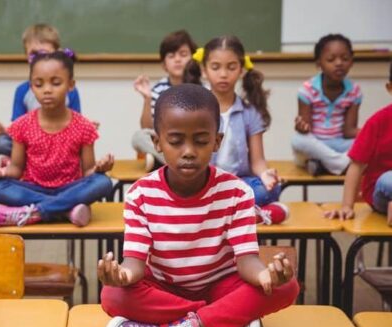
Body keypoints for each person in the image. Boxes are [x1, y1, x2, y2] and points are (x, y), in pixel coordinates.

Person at [98, 84, 299, 327]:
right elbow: (134, 264)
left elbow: (247, 262)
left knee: (287, 286)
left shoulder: (237, 192)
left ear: (217, 141)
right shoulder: (140, 194)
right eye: (176, 141)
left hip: (220, 287)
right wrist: (121, 276)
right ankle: (225, 325)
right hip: (165, 289)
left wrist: (265, 275)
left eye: (201, 141)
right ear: (157, 143)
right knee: (112, 295)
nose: (189, 151)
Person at [0, 50, 113, 227]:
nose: (47, 90)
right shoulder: (22, 125)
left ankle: (35, 212)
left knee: (103, 182)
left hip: (71, 187)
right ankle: (66, 210)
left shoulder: (84, 126)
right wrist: (0, 173)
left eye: (56, 83)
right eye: (39, 84)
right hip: (33, 189)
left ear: (71, 85)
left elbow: (88, 171)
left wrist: (100, 168)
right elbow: (16, 169)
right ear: (31, 87)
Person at [186, 35, 287, 222]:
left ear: (241, 70)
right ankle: (252, 213)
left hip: (239, 183)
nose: (223, 74)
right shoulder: (194, 108)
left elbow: (257, 161)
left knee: (270, 189)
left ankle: (227, 211)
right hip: (204, 183)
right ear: (204, 70)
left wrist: (266, 174)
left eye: (231, 67)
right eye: (216, 67)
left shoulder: (250, 112)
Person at [0, 23, 82, 160]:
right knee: (1, 143)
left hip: (60, 142)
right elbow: (18, 129)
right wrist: (3, 130)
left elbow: (76, 127)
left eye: (44, 53)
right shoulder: (22, 90)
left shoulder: (69, 90)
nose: (39, 59)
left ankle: (27, 162)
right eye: (33, 54)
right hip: (31, 143)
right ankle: (29, 163)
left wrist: (86, 127)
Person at [325, 62, 392, 226]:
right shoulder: (378, 122)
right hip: (382, 189)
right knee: (388, 179)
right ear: (390, 88)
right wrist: (347, 206)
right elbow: (356, 166)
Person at [291, 34, 362, 176]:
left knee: (365, 143)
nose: (339, 63)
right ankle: (342, 164)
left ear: (352, 62)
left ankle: (322, 165)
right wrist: (301, 127)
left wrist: (369, 134)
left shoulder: (354, 92)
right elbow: (306, 130)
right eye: (331, 59)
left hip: (339, 145)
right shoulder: (307, 90)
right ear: (319, 63)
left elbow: (349, 131)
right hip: (315, 144)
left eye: (345, 59)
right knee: (298, 140)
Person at [132, 30, 197, 170]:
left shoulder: (202, 88)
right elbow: (147, 128)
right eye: (171, 56)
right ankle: (178, 163)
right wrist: (148, 99)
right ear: (164, 65)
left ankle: (161, 162)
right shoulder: (158, 90)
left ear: (193, 58)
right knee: (139, 136)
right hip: (171, 142)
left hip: (195, 142)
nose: (178, 59)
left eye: (183, 54)